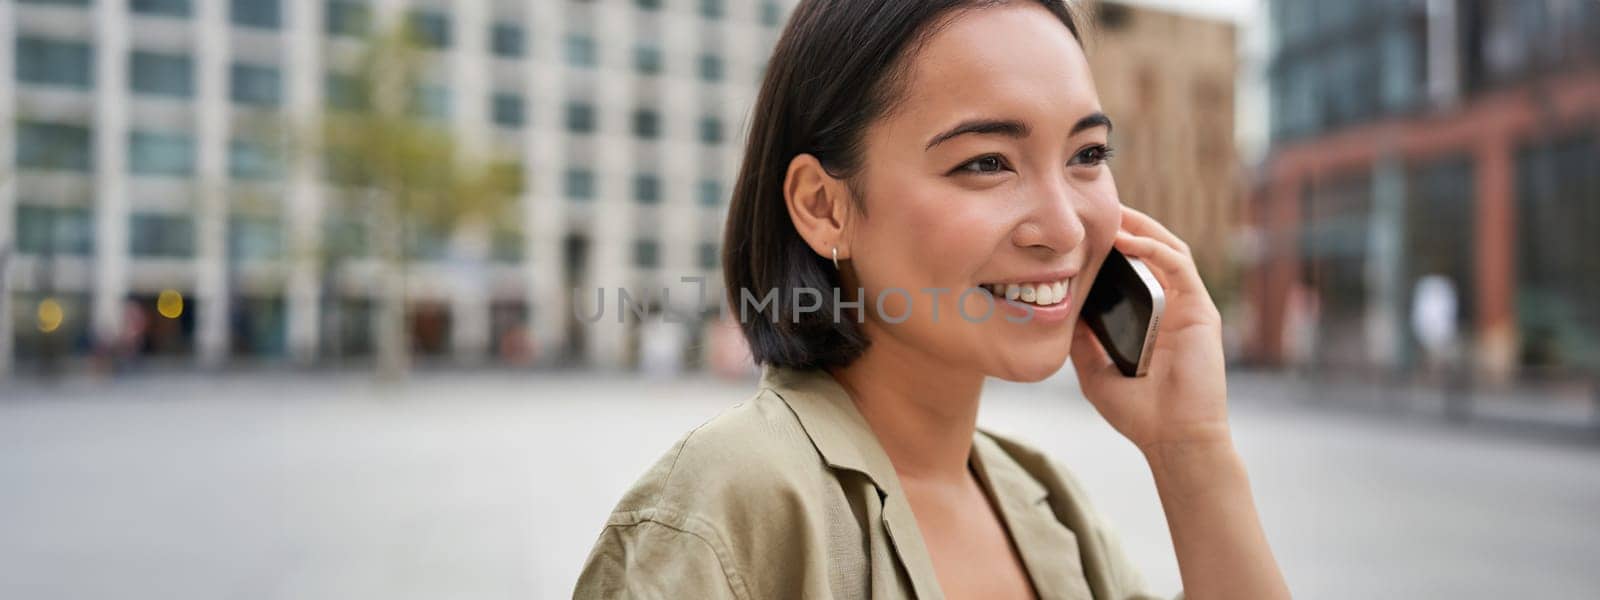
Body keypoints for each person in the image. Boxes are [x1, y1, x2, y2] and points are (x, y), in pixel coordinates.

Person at [574, 1, 1289, 598]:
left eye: (1087, 155)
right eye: (986, 163)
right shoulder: (727, 510)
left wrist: (1191, 452)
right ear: (824, 206)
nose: (1067, 226)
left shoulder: (1043, 503)